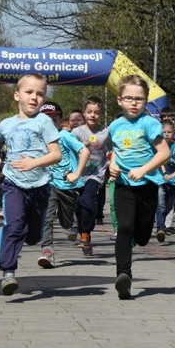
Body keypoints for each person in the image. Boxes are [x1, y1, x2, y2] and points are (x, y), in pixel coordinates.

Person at [0, 74, 61, 296]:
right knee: (14, 225)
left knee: (33, 236)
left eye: (40, 94)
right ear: (17, 95)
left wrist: (34, 162)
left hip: (40, 186)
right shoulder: (6, 124)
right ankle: (8, 272)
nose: (34, 97)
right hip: (13, 183)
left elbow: (56, 155)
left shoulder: (44, 122)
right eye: (29, 92)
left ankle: (28, 234)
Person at [107, 75, 171, 300]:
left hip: (148, 184)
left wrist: (143, 170)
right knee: (124, 228)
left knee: (142, 236)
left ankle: (142, 236)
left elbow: (165, 153)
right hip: (124, 185)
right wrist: (113, 165)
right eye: (129, 98)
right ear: (119, 100)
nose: (133, 103)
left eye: (139, 99)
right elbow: (116, 151)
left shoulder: (149, 123)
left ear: (146, 102)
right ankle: (123, 275)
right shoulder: (115, 126)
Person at [37, 101, 89, 269]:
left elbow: (84, 151)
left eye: (54, 119)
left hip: (68, 186)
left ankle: (68, 221)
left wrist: (77, 173)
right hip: (48, 184)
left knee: (66, 223)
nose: (50, 123)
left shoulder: (65, 136)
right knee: (47, 217)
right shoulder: (37, 138)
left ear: (61, 121)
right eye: (45, 119)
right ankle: (47, 251)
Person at [72, 97, 111, 242]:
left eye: (96, 112)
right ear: (84, 113)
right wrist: (80, 144)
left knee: (87, 199)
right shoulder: (77, 132)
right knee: (79, 204)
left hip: (96, 174)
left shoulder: (105, 133)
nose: (92, 115)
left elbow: (116, 149)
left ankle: (86, 232)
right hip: (78, 174)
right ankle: (82, 230)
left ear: (100, 114)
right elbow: (67, 150)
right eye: (89, 112)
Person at [155, 119, 175, 242]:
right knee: (161, 205)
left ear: (174, 134)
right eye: (164, 132)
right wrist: (163, 171)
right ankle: (160, 229)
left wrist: (173, 175)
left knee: (168, 207)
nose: (166, 134)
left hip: (174, 182)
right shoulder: (157, 146)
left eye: (169, 132)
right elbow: (157, 161)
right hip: (161, 181)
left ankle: (161, 224)